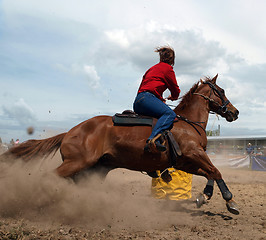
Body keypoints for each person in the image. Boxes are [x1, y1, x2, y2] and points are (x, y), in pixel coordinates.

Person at [133, 46, 180, 152]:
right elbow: (175, 90)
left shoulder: (151, 68)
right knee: (170, 114)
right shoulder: (168, 69)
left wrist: (158, 100)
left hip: (139, 101)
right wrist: (173, 97)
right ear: (172, 60)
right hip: (148, 99)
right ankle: (153, 140)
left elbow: (146, 87)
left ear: (161, 58)